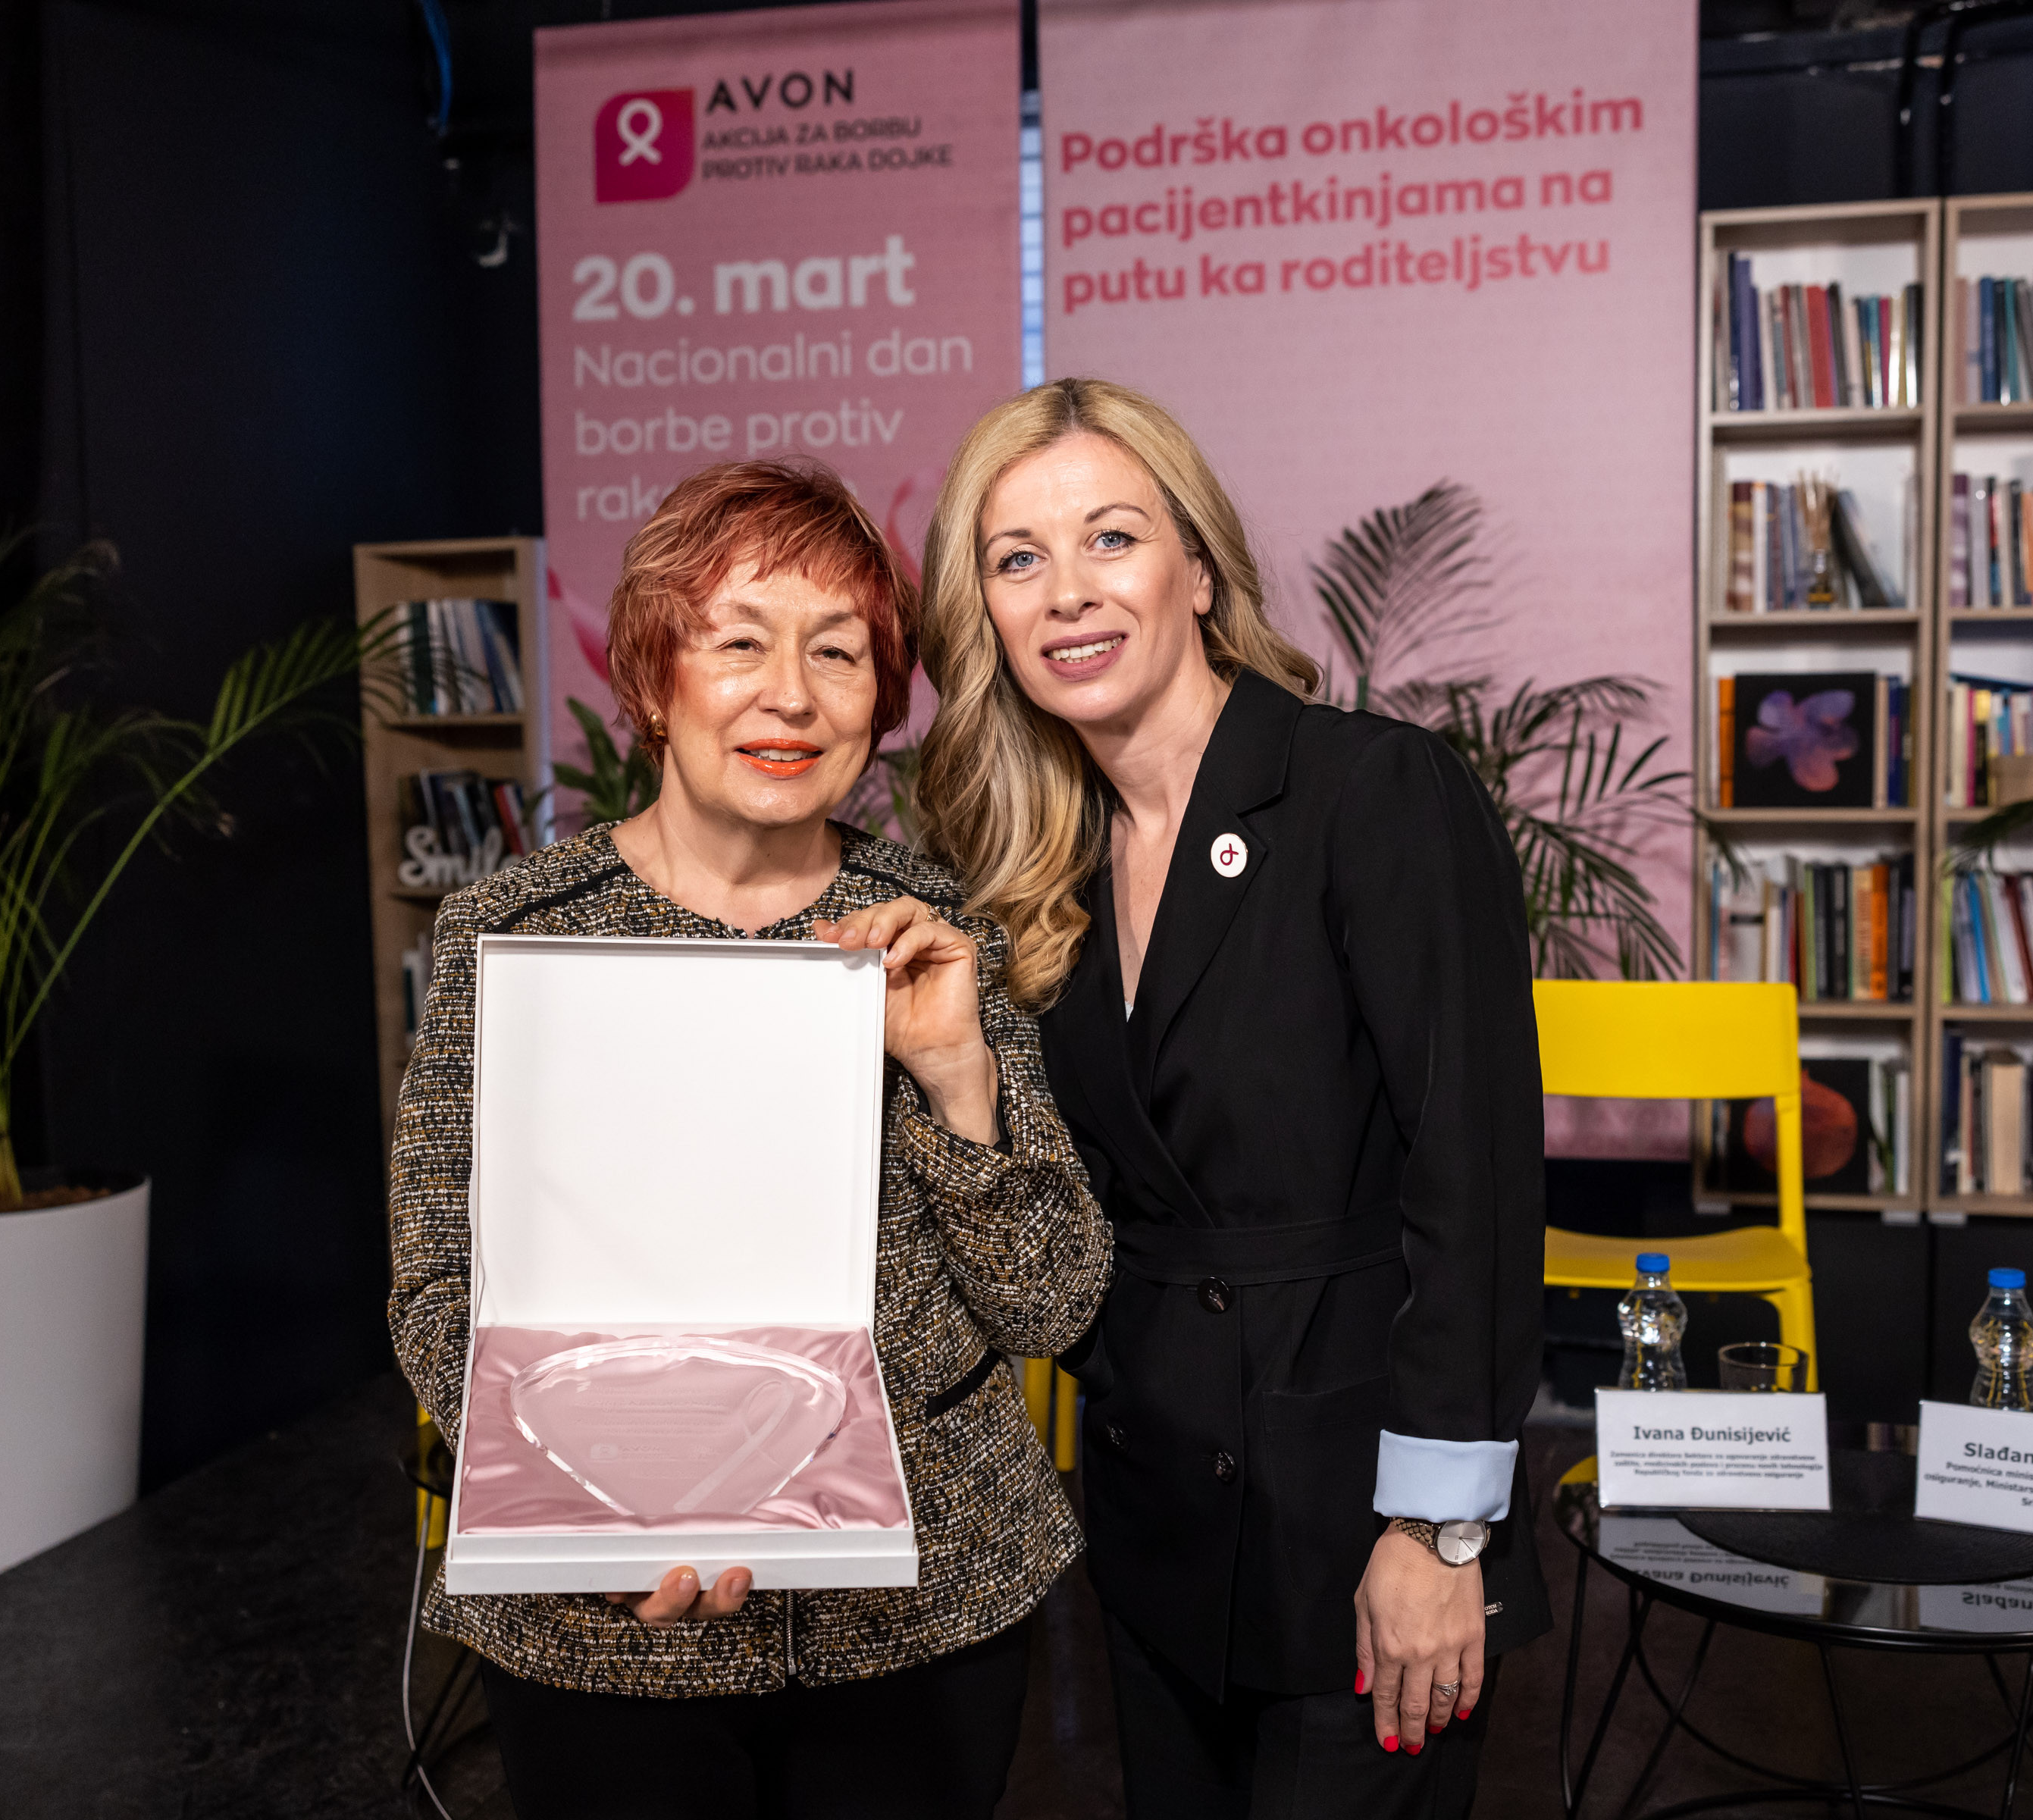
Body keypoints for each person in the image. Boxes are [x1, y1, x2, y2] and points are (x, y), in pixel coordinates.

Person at [387, 460, 1110, 1820]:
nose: (792, 694)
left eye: (838, 652)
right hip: (604, 1623)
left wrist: (956, 1074)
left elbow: (1051, 1302)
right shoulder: (514, 935)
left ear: (879, 703)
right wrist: (584, 1509)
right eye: (739, 643)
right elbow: (437, 1286)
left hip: (923, 1609)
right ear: (655, 681)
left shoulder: (934, 936)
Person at [914, 379, 1552, 1818]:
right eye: (1018, 558)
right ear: (989, 615)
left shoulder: (1369, 791)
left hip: (1362, 1529)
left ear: (1198, 571)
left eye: (1112, 537)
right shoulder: (1041, 879)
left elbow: (1477, 1177)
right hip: (1157, 1532)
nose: (1068, 592)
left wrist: (1437, 1532)